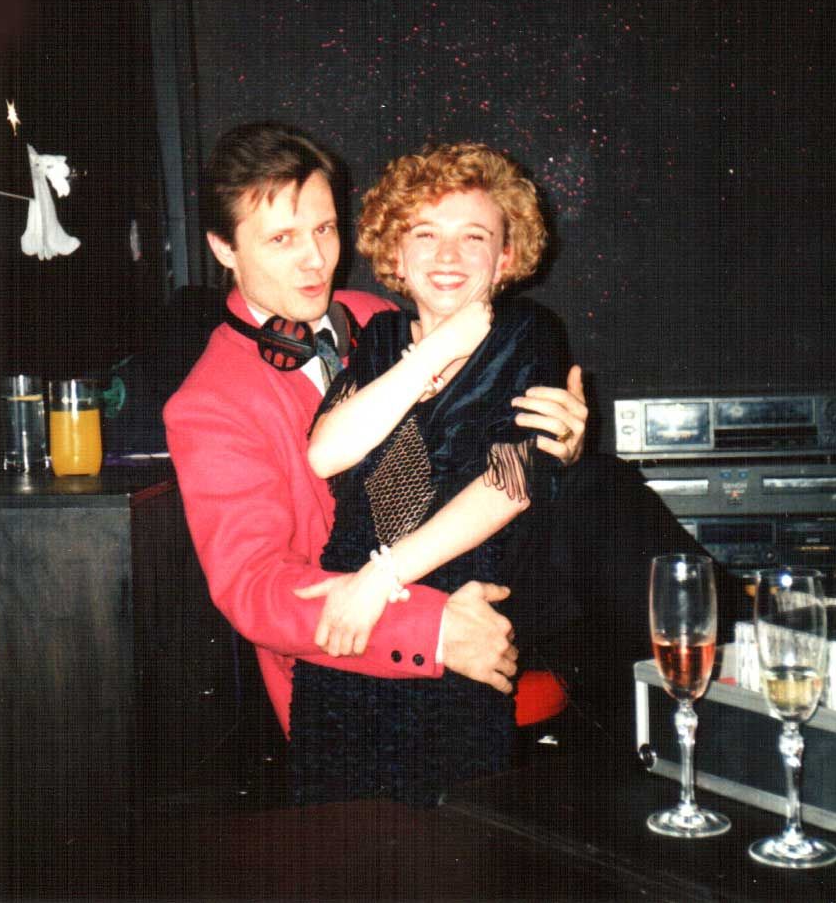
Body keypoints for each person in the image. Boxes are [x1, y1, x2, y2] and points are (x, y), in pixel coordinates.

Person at [163, 123, 589, 741]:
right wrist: (434, 628)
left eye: (324, 229)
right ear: (223, 249)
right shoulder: (208, 403)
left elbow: (496, 464)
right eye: (282, 239)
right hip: (357, 667)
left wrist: (556, 448)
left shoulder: (376, 317)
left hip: (476, 597)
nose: (316, 261)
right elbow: (257, 590)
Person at [287, 141, 572, 805]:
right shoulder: (383, 338)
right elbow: (326, 453)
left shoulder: (528, 334)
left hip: (453, 624)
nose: (447, 256)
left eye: (474, 237)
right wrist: (437, 347)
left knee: (447, 841)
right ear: (397, 251)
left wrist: (382, 577)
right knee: (332, 836)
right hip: (347, 625)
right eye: (425, 234)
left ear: (506, 257)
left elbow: (509, 485)